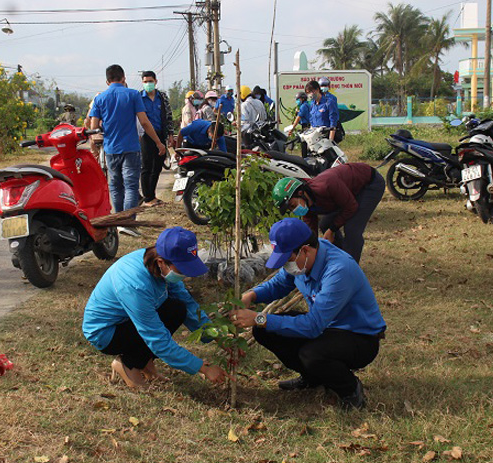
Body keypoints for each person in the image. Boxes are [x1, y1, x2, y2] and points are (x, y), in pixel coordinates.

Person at [229, 218, 385, 410]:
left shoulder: (339, 270)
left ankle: (350, 390)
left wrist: (259, 318)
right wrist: (251, 295)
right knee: (264, 331)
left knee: (311, 354)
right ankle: (313, 378)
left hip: (358, 336)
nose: (286, 266)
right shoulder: (301, 263)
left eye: (288, 260)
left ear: (305, 250)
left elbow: (312, 326)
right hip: (327, 328)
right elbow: (279, 283)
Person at [83, 227, 227, 389]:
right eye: (182, 269)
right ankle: (128, 365)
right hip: (106, 333)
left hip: (129, 321)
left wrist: (217, 336)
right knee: (160, 325)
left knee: (177, 309)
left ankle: (145, 363)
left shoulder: (158, 264)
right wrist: (203, 368)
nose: (185, 274)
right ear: (161, 262)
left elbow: (187, 304)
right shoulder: (135, 284)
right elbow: (157, 338)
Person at [87, 65, 165, 237]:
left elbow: (93, 127)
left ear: (107, 81)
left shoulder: (100, 98)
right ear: (123, 78)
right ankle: (128, 223)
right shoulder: (132, 95)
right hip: (130, 147)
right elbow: (144, 122)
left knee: (115, 186)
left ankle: (118, 222)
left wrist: (95, 144)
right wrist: (159, 142)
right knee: (130, 186)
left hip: (111, 149)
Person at [271, 162, 385, 263]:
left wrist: (332, 230)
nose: (294, 210)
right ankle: (340, 259)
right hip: (347, 193)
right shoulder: (307, 204)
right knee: (325, 224)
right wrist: (309, 250)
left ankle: (350, 268)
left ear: (300, 193)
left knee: (352, 229)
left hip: (369, 184)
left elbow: (351, 207)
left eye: (292, 205)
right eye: (291, 209)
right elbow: (311, 232)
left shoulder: (326, 186)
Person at [138, 70, 174, 208]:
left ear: (156, 81)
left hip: (160, 133)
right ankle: (147, 197)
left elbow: (169, 116)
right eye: (145, 82)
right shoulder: (139, 98)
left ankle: (152, 194)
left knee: (158, 165)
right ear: (142, 83)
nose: (148, 84)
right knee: (146, 165)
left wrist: (170, 135)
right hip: (145, 136)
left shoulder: (162, 97)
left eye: (150, 81)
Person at [318, 77, 345, 143]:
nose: (324, 87)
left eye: (325, 85)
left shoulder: (332, 98)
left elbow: (333, 116)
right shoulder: (316, 98)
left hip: (329, 126)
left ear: (329, 87)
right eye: (322, 86)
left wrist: (331, 136)